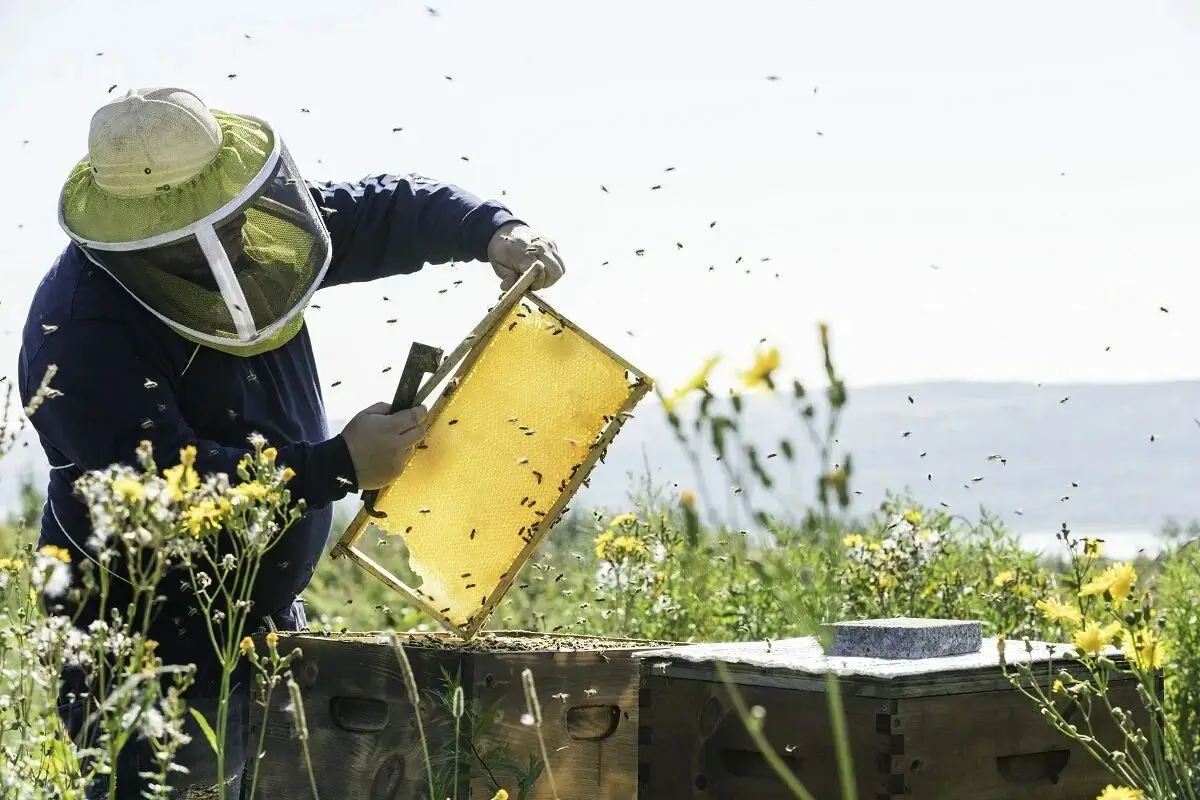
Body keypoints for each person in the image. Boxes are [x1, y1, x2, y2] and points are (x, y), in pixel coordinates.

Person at [16, 86, 566, 799]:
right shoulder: (78, 333)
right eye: (197, 230)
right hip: (142, 647)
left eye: (233, 212)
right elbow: (155, 491)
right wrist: (335, 465)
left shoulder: (245, 225)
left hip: (268, 625)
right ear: (139, 235)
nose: (239, 235)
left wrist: (492, 229)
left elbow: (377, 209)